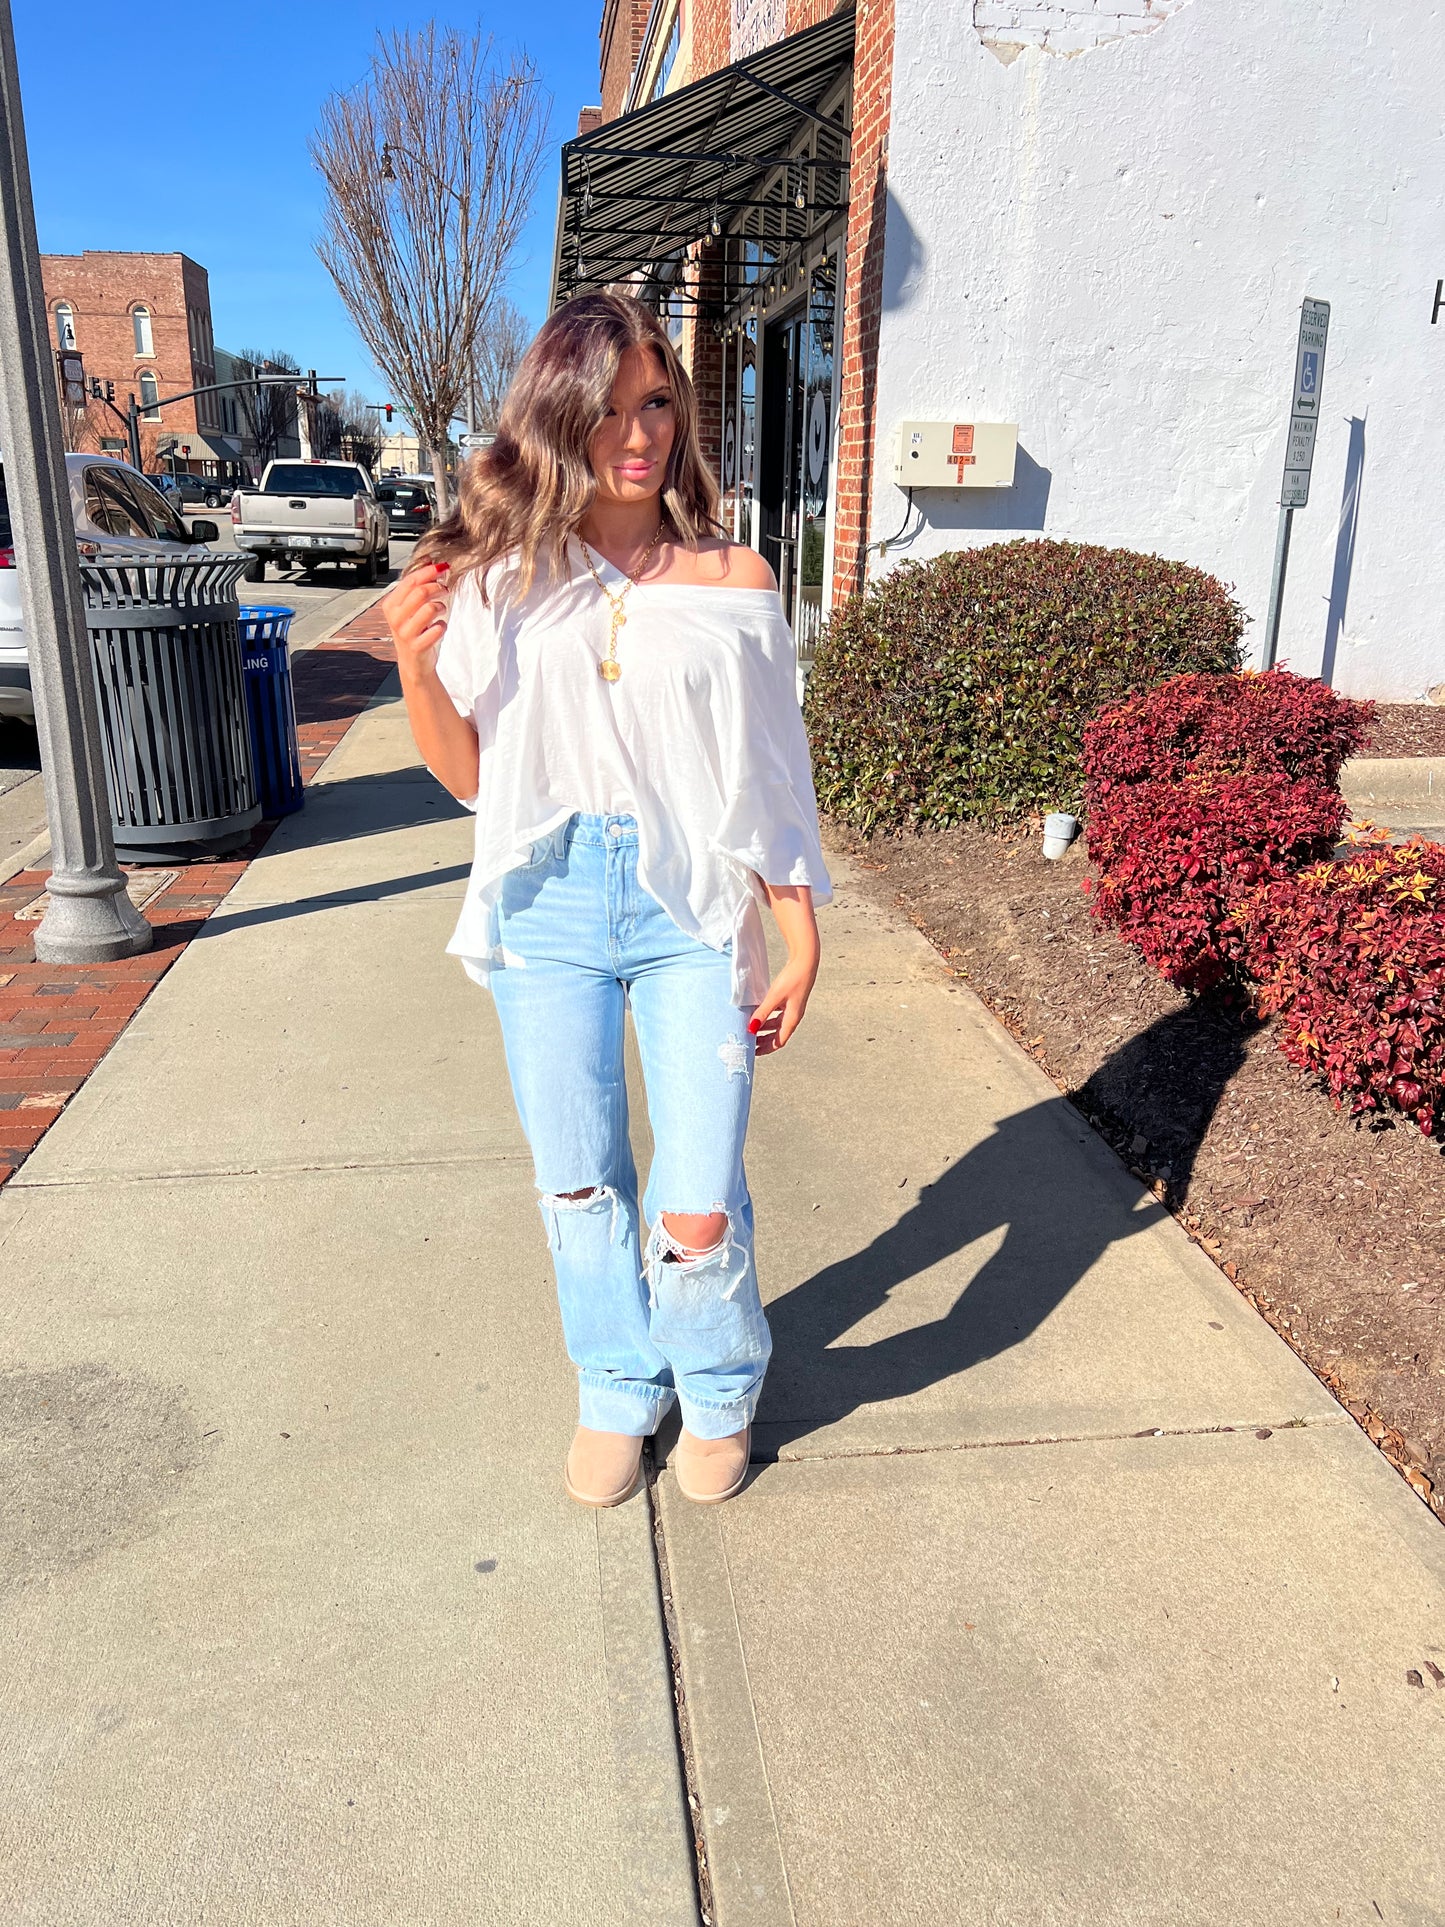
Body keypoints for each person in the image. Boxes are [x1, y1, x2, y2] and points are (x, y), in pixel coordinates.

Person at [380, 293, 830, 1509]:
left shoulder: (735, 578)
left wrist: (797, 925)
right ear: (556, 418)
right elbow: (472, 776)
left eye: (657, 403)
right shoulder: (498, 576)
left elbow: (766, 769)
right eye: (608, 409)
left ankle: (719, 1387)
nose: (638, 434)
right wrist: (418, 661)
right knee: (578, 1179)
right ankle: (616, 1386)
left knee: (694, 1194)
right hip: (547, 899)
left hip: (690, 900)